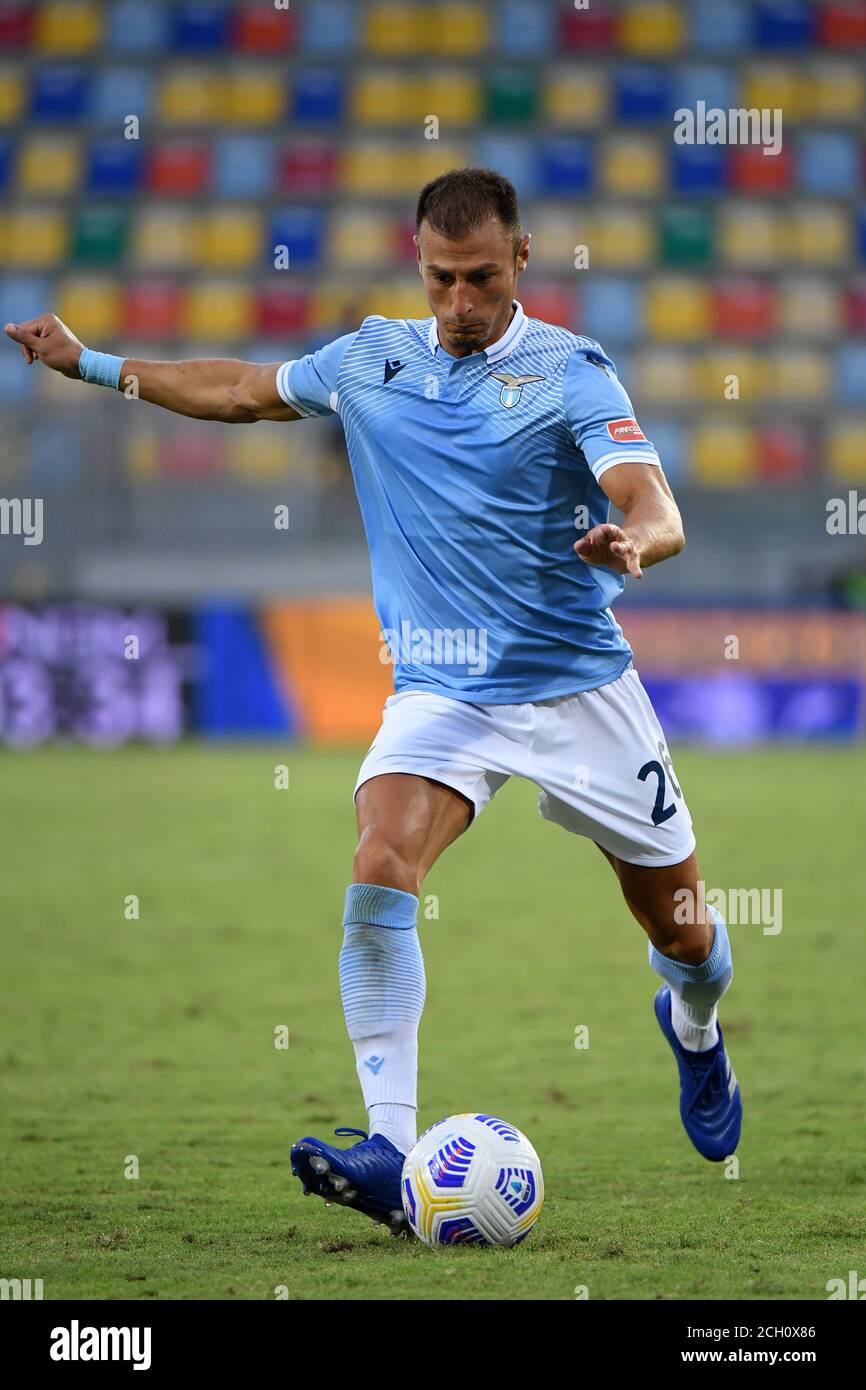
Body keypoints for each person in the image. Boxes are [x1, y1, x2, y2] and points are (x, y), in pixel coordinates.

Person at [4, 167, 740, 1236]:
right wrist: (94, 364)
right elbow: (241, 389)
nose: (458, 304)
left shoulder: (570, 373)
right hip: (443, 690)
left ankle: (695, 1029)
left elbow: (650, 499)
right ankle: (390, 1150)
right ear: (418, 266)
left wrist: (635, 544)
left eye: (481, 278)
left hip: (578, 689)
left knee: (684, 933)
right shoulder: (370, 358)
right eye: (440, 279)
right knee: (377, 863)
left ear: (520, 261)